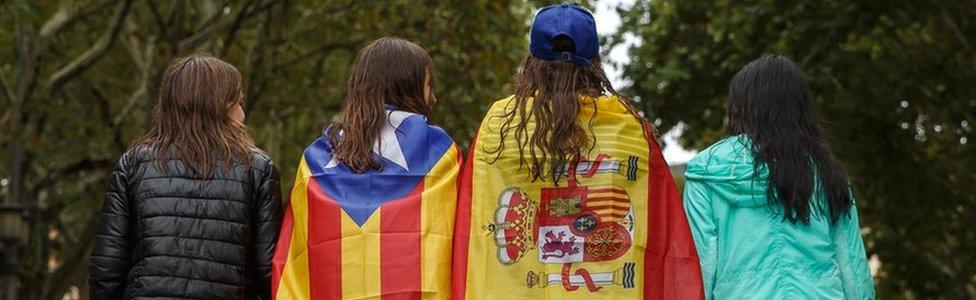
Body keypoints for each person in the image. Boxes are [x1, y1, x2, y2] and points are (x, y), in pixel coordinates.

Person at [452, 4, 704, 299]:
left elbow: (473, 222)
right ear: (594, 60)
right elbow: (665, 235)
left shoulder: (500, 123)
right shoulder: (628, 129)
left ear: (533, 59)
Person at [272, 37, 459, 300]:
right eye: (429, 86)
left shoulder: (315, 160)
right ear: (409, 88)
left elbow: (294, 254)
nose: (434, 98)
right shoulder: (439, 151)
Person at [89, 55, 282, 299]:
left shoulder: (134, 165)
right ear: (220, 106)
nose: (242, 114)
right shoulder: (258, 169)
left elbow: (107, 270)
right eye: (237, 104)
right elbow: (269, 273)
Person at [682, 55, 875, 299]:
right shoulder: (827, 173)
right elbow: (853, 267)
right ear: (801, 108)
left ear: (739, 106)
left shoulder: (708, 172)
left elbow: (700, 265)